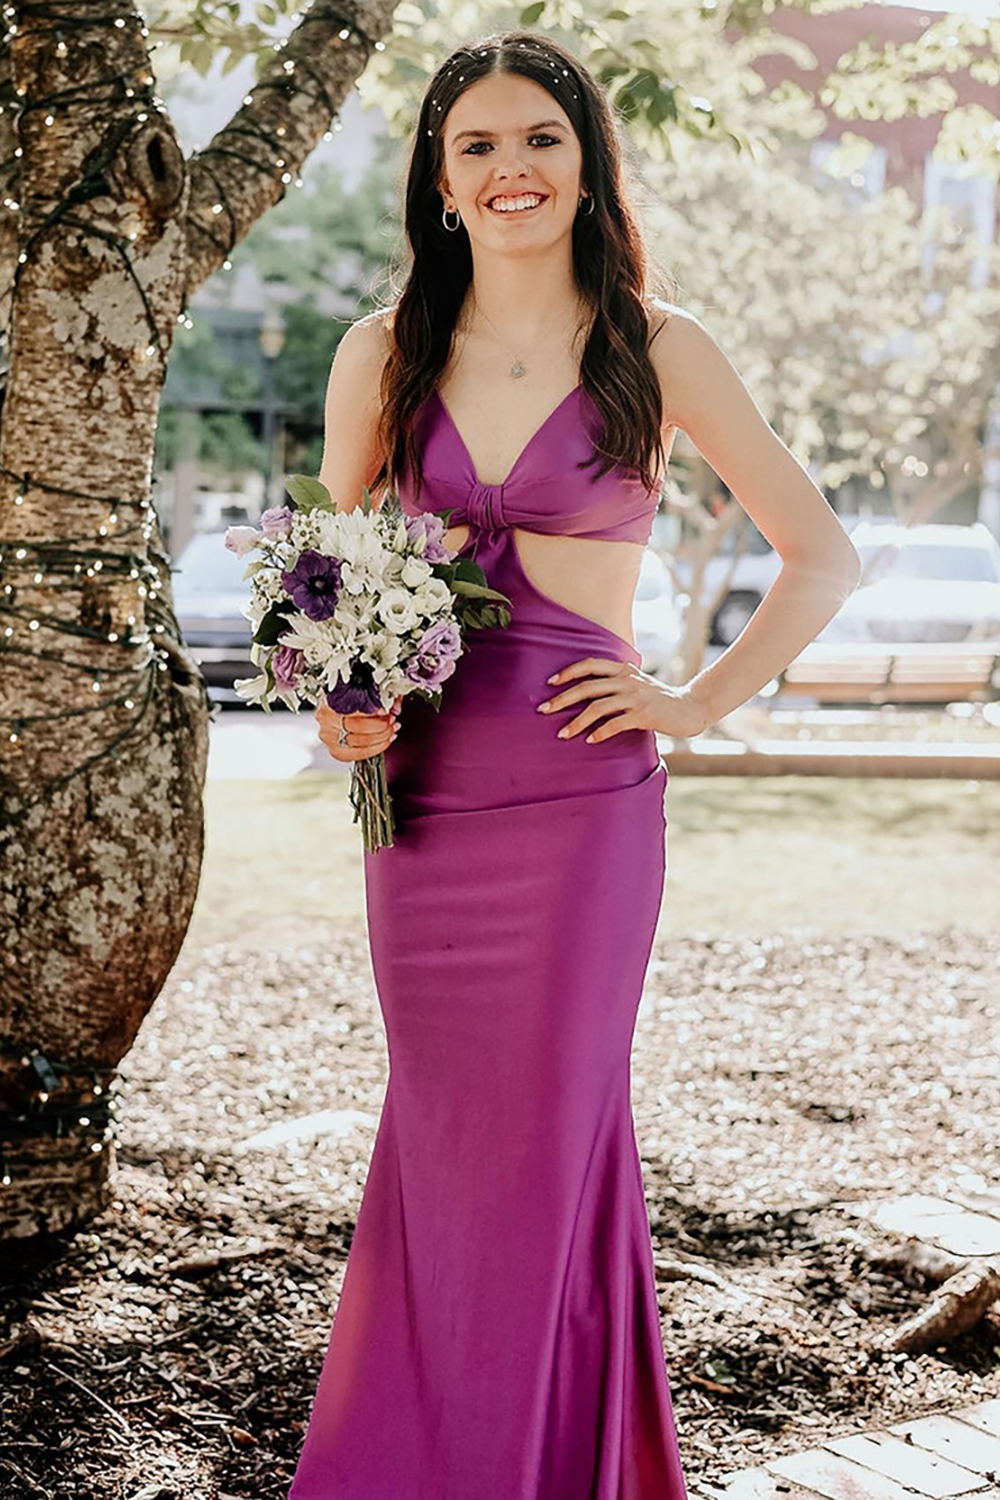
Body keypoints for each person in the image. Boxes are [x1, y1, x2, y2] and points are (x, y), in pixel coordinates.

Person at [289, 29, 861, 1500]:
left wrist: (693, 703)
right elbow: (327, 582)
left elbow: (821, 556)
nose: (512, 168)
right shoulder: (383, 349)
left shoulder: (660, 346)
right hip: (422, 809)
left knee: (545, 1137)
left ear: (588, 160)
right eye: (477, 144)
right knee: (442, 1137)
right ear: (441, 178)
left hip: (582, 802)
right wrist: (342, 711)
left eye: (539, 137)